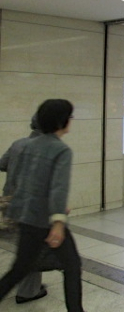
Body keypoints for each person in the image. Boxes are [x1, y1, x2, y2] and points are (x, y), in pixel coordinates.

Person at [0, 99, 85, 311]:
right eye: (70, 117)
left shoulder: (26, 146)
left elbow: (18, 181)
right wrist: (58, 221)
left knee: (20, 268)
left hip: (26, 218)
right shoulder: (61, 150)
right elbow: (58, 188)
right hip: (45, 220)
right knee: (72, 266)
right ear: (61, 121)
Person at [0, 115, 47, 304]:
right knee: (33, 250)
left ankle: (25, 287)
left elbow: (2, 164)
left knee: (24, 249)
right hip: (30, 207)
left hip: (9, 203)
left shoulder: (17, 144)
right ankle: (28, 291)